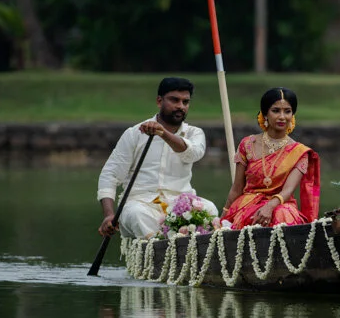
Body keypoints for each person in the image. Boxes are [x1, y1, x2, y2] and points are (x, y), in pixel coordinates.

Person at [97, 77, 219, 239]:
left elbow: (192, 154)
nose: (180, 106)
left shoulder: (194, 133)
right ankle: (157, 251)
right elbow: (110, 175)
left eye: (185, 102)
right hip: (142, 203)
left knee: (210, 209)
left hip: (181, 203)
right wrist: (108, 215)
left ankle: (189, 253)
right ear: (159, 101)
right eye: (174, 100)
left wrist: (162, 133)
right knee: (137, 214)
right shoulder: (134, 134)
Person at [221, 87, 320, 228]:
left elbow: (287, 191)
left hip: (282, 205)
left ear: (292, 115)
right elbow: (237, 188)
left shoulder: (299, 152)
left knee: (281, 214)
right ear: (265, 114)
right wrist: (223, 218)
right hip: (248, 205)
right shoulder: (248, 144)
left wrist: (269, 207)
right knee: (250, 215)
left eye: (287, 111)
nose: (282, 117)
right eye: (276, 110)